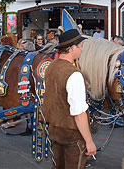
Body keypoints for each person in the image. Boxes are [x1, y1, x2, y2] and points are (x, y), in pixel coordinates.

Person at [43, 29, 97, 169]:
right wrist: (89, 141)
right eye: (80, 46)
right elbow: (79, 113)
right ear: (72, 48)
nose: (81, 49)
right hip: (72, 136)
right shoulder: (73, 74)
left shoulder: (50, 67)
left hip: (55, 130)